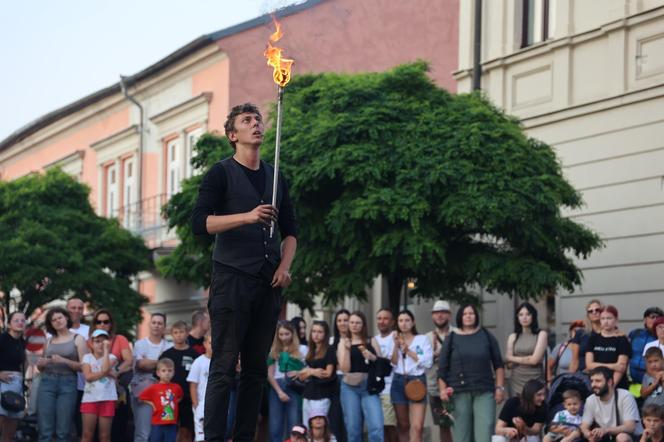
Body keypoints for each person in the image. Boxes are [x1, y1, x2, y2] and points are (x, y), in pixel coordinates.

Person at [191, 102, 298, 442]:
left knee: (254, 369)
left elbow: (292, 232)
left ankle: (244, 437)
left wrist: (285, 267)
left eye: (258, 119)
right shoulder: (220, 173)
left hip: (267, 282)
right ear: (232, 135)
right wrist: (247, 217)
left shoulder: (275, 173)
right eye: (247, 120)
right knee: (224, 366)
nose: (256, 124)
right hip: (231, 279)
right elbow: (200, 223)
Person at [438, 304, 506, 442]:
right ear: (460, 317)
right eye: (465, 313)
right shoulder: (451, 338)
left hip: (484, 391)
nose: (468, 316)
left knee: (485, 431)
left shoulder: (486, 335)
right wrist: (442, 390)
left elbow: (498, 364)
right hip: (458, 392)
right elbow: (442, 368)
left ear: (476, 316)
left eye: (471, 313)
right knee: (462, 435)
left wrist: (499, 387)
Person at [37, 306, 88, 442]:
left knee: (63, 431)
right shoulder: (48, 341)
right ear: (51, 324)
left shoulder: (78, 339)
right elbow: (41, 367)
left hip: (68, 383)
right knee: (44, 430)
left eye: (59, 317)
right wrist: (40, 365)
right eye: (53, 320)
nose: (57, 321)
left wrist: (64, 360)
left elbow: (84, 367)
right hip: (47, 382)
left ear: (66, 317)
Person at [337, 311, 384, 442]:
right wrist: (347, 349)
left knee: (376, 427)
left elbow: (382, 363)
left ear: (363, 325)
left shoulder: (371, 340)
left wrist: (372, 356)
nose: (354, 325)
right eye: (351, 322)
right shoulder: (343, 342)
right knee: (353, 430)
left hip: (368, 387)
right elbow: (345, 369)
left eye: (358, 322)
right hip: (349, 388)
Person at [90, 308, 134, 442]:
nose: (102, 324)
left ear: (111, 324)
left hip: (116, 388)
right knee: (96, 431)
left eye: (106, 321)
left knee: (118, 427)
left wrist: (117, 372)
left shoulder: (120, 339)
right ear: (95, 324)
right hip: (96, 390)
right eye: (99, 322)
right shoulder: (90, 341)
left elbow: (129, 360)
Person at [389, 310, 433, 442]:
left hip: (416, 380)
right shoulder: (395, 339)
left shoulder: (422, 339)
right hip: (398, 380)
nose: (404, 324)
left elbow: (428, 362)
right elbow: (393, 363)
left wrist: (408, 350)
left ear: (413, 322)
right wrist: (396, 346)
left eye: (407, 320)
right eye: (401, 321)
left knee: (418, 426)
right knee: (403, 425)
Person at [131, 313, 173, 442]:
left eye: (160, 323)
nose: (156, 325)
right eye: (154, 322)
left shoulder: (169, 346)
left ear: (164, 326)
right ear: (149, 324)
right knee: (143, 432)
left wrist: (151, 362)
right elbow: (141, 365)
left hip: (165, 394)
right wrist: (161, 362)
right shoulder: (140, 344)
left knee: (162, 432)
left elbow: (170, 368)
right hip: (144, 390)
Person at [267, 320, 307, 442]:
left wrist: (299, 372)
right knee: (275, 427)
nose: (284, 337)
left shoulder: (302, 349)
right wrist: (279, 392)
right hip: (276, 387)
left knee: (294, 426)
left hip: (293, 386)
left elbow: (308, 370)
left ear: (292, 334)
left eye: (287, 334)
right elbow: (269, 374)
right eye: (281, 334)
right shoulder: (273, 350)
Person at [160, 321, 199, 442]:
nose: (179, 335)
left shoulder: (194, 354)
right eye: (175, 332)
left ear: (187, 333)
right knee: (169, 430)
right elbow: (158, 377)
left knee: (187, 430)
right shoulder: (166, 355)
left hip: (188, 398)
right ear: (171, 334)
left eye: (181, 332)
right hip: (170, 399)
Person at [581, 366, 643, 441]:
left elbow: (630, 427)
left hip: (631, 437)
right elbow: (584, 426)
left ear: (609, 382)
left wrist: (606, 430)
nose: (593, 384)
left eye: (598, 381)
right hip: (607, 436)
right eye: (592, 381)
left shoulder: (625, 396)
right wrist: (588, 434)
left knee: (622, 437)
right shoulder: (590, 399)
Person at [80, 329, 118, 442]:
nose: (101, 344)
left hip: (107, 399)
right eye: (97, 341)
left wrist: (106, 351)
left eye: (104, 341)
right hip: (89, 399)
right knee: (87, 435)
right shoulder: (87, 357)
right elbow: (88, 377)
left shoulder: (112, 357)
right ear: (91, 343)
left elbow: (105, 367)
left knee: (105, 436)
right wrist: (109, 373)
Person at [505, 302, 548, 396]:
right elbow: (509, 364)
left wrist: (512, 358)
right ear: (517, 317)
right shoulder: (513, 336)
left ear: (533, 316)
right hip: (515, 381)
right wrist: (524, 359)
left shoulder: (541, 334)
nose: (524, 317)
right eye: (521, 315)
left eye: (528, 314)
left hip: (535, 380)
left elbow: (534, 360)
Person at [425, 300, 454, 442]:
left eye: (443, 312)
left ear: (449, 315)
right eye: (437, 313)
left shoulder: (457, 333)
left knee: (461, 423)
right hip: (434, 388)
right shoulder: (426, 338)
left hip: (456, 386)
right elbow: (421, 362)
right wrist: (434, 355)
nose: (440, 315)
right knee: (443, 425)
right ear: (432, 316)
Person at [138, 358, 184, 442]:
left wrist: (173, 403)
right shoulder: (154, 388)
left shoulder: (177, 387)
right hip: (157, 423)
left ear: (173, 372)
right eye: (164, 371)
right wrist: (152, 404)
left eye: (170, 371)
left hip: (172, 423)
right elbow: (141, 397)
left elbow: (180, 397)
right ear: (158, 373)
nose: (167, 373)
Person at [586, 305, 631, 390]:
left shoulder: (622, 340)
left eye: (609, 318)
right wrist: (613, 366)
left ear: (616, 320)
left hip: (617, 386)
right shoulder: (593, 339)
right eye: (603, 319)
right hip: (596, 386)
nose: (606, 322)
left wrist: (610, 387)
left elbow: (621, 368)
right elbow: (589, 365)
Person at [300, 320, 336, 425]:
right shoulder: (311, 350)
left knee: (318, 425)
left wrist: (310, 371)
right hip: (308, 392)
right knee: (307, 425)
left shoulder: (329, 349)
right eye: (314, 331)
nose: (316, 334)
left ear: (325, 334)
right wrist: (311, 372)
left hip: (322, 394)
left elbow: (328, 373)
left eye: (320, 332)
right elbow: (302, 375)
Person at [0, 311, 26, 442]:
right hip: (2, 384)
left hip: (17, 384)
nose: (20, 322)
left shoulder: (22, 341)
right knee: (2, 419)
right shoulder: (2, 338)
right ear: (9, 324)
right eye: (16, 320)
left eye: (22, 320)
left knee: (12, 425)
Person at [67, 297, 90, 439]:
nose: (76, 311)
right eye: (73, 307)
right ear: (67, 309)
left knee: (81, 427)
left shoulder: (90, 330)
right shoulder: (56, 329)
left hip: (84, 385)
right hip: (63, 384)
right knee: (64, 426)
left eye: (80, 308)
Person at [374, 308, 397, 442]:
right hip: (375, 389)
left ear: (392, 322)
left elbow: (392, 363)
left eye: (385, 318)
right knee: (378, 427)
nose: (382, 321)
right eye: (379, 318)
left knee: (390, 427)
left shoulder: (395, 337)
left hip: (390, 387)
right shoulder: (373, 339)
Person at [328, 309, 350, 442]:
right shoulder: (331, 341)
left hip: (351, 381)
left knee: (350, 420)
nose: (342, 323)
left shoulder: (356, 340)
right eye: (339, 320)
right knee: (335, 418)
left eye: (345, 320)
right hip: (334, 382)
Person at [188, 333, 212, 442]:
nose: (213, 346)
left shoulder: (221, 362)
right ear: (205, 344)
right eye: (211, 343)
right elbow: (193, 384)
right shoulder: (198, 362)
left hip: (217, 404)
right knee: (201, 436)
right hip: (202, 404)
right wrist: (196, 404)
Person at [629, 308, 663, 385]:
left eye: (658, 318)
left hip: (652, 380)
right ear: (645, 319)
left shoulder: (660, 338)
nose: (655, 320)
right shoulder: (635, 333)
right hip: (632, 380)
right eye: (652, 317)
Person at [569, 299, 603, 373]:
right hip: (582, 375)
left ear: (603, 311)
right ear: (588, 315)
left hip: (602, 375)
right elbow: (574, 361)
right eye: (590, 311)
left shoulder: (608, 334)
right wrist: (570, 378)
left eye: (597, 310)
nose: (594, 312)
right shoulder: (580, 334)